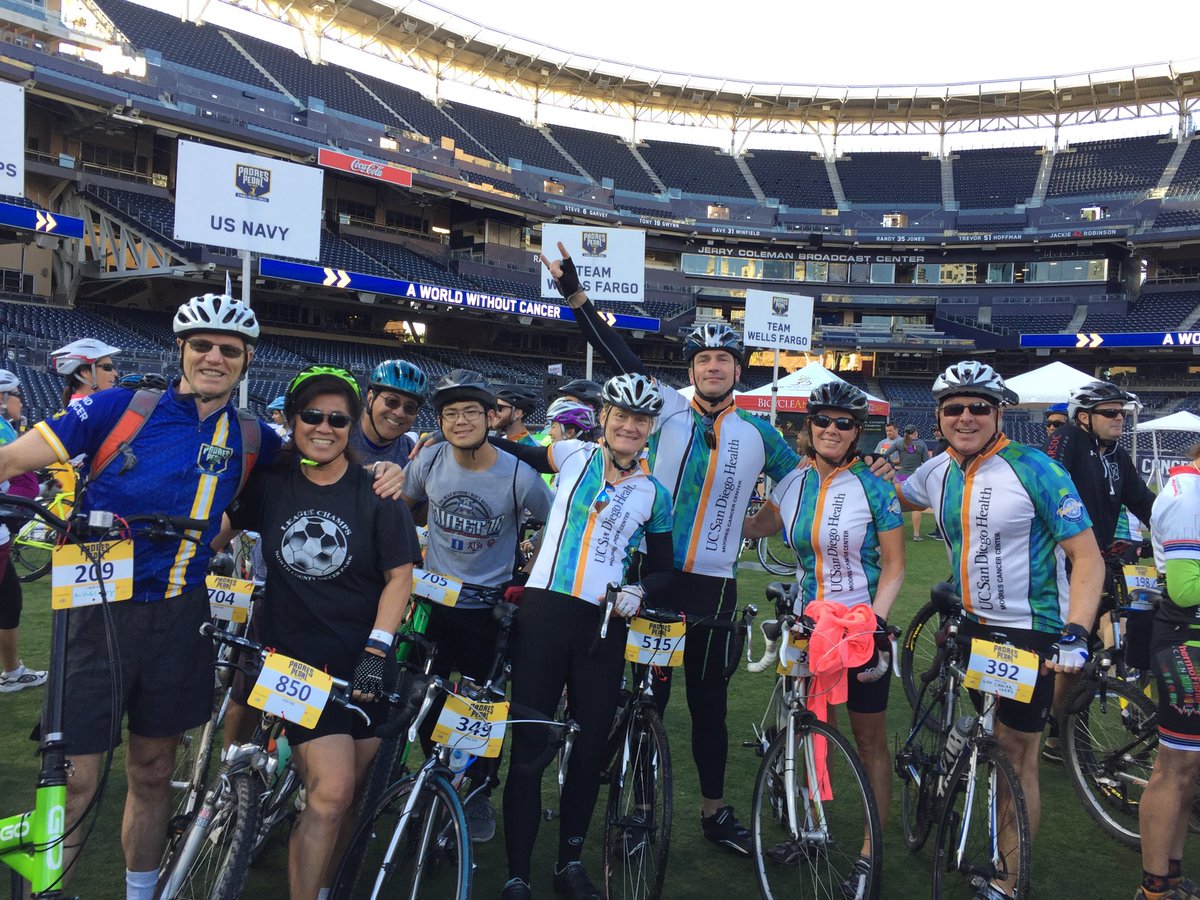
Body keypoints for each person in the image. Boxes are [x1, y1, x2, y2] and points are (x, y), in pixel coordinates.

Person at [0, 293, 403, 900]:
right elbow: (8, 460)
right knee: (73, 778)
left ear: (245, 360)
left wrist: (381, 470)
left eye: (230, 349)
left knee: (155, 769)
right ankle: (50, 891)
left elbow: (323, 451)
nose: (215, 357)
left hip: (182, 616)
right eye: (203, 345)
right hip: (94, 612)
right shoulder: (114, 409)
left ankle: (142, 892)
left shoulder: (252, 437)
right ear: (181, 349)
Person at [541, 242, 801, 855]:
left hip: (714, 585)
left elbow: (801, 494)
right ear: (691, 370)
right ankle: (637, 812)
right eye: (703, 359)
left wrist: (751, 528)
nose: (713, 367)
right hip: (650, 577)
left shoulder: (761, 432)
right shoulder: (664, 415)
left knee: (709, 707)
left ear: (739, 370)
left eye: (724, 359)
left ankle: (714, 813)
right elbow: (617, 352)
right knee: (643, 699)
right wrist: (577, 296)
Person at [894, 360, 1103, 899]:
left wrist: (1077, 632)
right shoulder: (933, 471)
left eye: (979, 407)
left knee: (1015, 753)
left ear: (999, 412)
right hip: (970, 624)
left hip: (1029, 632)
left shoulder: (1037, 469)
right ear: (939, 416)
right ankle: (958, 740)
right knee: (983, 726)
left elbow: (1087, 557)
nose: (966, 417)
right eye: (954, 408)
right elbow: (894, 498)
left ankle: (1008, 879)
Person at [222, 365, 421, 899]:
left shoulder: (378, 492)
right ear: (293, 419)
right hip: (295, 662)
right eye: (312, 415)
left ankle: (329, 884)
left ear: (351, 425)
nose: (324, 426)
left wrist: (378, 650)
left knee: (348, 795)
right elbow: (214, 535)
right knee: (331, 795)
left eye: (338, 418)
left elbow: (399, 577)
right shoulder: (269, 486)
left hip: (365, 662)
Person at [492, 373, 675, 900]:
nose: (630, 425)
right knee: (529, 745)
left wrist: (639, 588)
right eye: (621, 415)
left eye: (640, 419)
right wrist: (458, 432)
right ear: (605, 418)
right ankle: (517, 873)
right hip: (543, 615)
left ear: (649, 429)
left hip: (602, 627)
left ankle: (569, 863)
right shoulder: (569, 456)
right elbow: (505, 448)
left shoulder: (653, 494)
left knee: (591, 744)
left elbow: (665, 569)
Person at [743, 381, 904, 887]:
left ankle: (868, 851)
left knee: (868, 739)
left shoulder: (875, 485)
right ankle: (808, 829)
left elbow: (896, 568)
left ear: (858, 432)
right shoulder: (793, 483)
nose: (831, 430)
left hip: (860, 628)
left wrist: (875, 626)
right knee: (804, 726)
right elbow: (755, 526)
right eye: (823, 421)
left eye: (844, 423)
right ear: (807, 427)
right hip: (808, 624)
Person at [402, 369, 551, 843]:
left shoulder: (519, 474)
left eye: (471, 411)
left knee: (480, 705)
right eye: (450, 413)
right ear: (439, 421)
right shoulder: (428, 458)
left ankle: (481, 790)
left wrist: (527, 574)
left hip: (488, 609)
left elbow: (556, 522)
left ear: (492, 416)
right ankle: (434, 774)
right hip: (431, 602)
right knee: (425, 696)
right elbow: (402, 508)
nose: (460, 421)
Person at [1042, 380, 1155, 762]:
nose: (1119, 418)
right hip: (1061, 559)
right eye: (1110, 412)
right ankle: (1059, 732)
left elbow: (1145, 503)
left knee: (1101, 644)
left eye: (1122, 412)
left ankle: (1069, 728)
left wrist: (1179, 531)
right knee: (1069, 654)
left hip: (1101, 561)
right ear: (1085, 418)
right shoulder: (1069, 437)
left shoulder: (1118, 457)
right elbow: (1050, 478)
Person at [1137, 444, 1200, 900]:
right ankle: (1155, 887)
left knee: (1188, 769)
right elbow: (1183, 586)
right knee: (1174, 767)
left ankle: (1172, 877)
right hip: (1185, 637)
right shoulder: (1188, 495)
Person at [0, 368, 45, 693]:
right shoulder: (3, 429)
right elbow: (23, 481)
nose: (21, 401)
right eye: (17, 395)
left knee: (9, 599)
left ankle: (13, 671)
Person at [350, 358, 429, 466]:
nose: (399, 413)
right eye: (392, 401)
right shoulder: (340, 436)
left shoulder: (411, 454)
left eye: (410, 407)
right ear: (370, 398)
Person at [51, 337, 121, 407]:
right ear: (85, 372)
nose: (115, 373)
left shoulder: (85, 407)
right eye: (107, 367)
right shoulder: (91, 411)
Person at [889, 424, 931, 541]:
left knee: (895, 504)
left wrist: (894, 465)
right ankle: (916, 534)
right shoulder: (921, 444)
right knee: (916, 507)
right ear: (916, 432)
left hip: (900, 476)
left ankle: (894, 533)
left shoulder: (899, 443)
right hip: (914, 478)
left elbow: (885, 456)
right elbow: (927, 462)